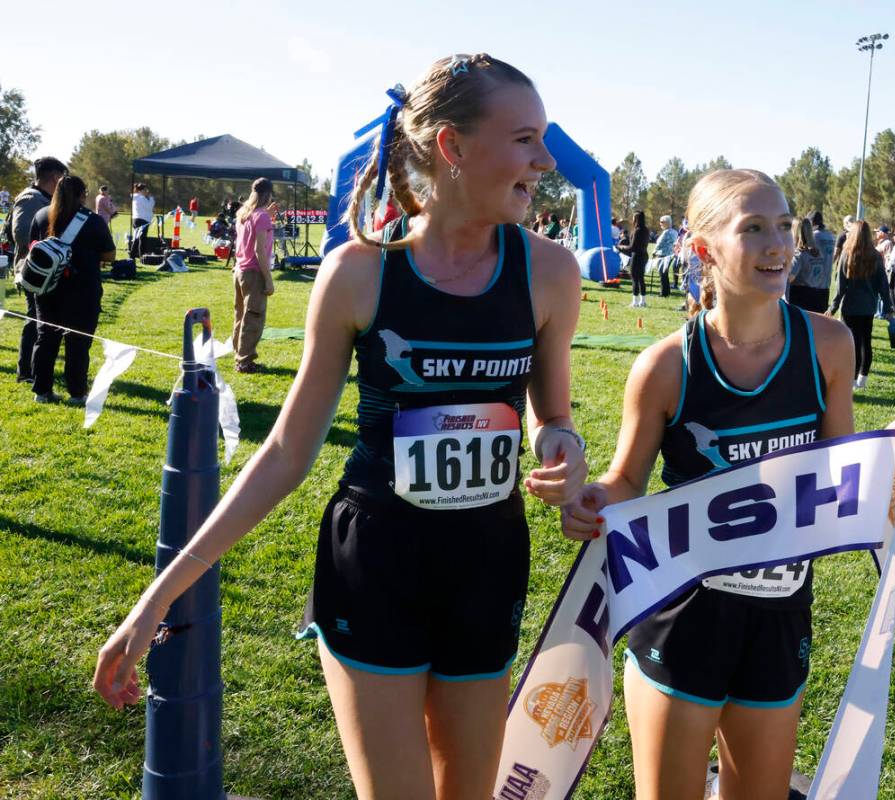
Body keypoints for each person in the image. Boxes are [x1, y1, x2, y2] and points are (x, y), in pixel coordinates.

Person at [93, 53, 587, 800]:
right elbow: (289, 450)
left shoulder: (549, 272)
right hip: (376, 562)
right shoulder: (361, 271)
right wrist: (159, 594)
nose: (546, 160)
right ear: (452, 147)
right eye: (525, 139)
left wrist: (561, 443)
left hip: (487, 561)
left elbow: (554, 412)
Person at [560, 168, 895, 800]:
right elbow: (626, 481)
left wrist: (889, 454)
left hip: (780, 613)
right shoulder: (667, 366)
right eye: (752, 228)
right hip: (681, 615)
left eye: (784, 225)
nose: (778, 244)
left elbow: (839, 471)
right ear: (704, 250)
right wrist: (594, 499)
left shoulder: (829, 345)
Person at [27, 175, 115, 404]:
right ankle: (76, 393)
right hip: (82, 289)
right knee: (78, 342)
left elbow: (31, 247)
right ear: (82, 195)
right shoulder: (93, 221)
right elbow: (109, 254)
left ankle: (41, 391)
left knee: (45, 338)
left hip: (46, 287)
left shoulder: (40, 215)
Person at [10, 156, 67, 385]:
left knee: (43, 322)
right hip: (33, 272)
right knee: (34, 320)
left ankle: (37, 367)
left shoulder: (44, 198)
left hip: (46, 271)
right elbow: (22, 234)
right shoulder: (30, 199)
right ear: (55, 177)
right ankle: (26, 370)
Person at [829, 220, 894, 390]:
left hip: (850, 307)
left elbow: (840, 286)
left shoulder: (847, 254)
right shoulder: (875, 255)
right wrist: (887, 307)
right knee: (866, 342)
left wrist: (832, 308)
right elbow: (883, 285)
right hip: (868, 307)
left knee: (852, 344)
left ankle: (851, 380)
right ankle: (862, 380)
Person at [231, 178, 276, 374]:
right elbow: (260, 251)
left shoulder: (243, 213)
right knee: (254, 318)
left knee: (240, 316)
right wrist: (268, 279)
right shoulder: (262, 217)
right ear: (269, 195)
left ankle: (239, 354)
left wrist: (267, 215)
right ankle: (245, 361)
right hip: (254, 272)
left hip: (240, 270)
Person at [787, 216, 828, 312]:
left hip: (801, 302)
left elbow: (789, 278)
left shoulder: (799, 254)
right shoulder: (818, 253)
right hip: (818, 299)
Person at [619, 210, 650, 307]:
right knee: (641, 278)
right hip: (644, 255)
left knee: (634, 279)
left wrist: (621, 248)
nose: (632, 219)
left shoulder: (637, 231)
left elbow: (632, 247)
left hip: (637, 256)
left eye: (633, 217)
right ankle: (643, 301)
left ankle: (635, 302)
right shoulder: (646, 230)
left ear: (636, 219)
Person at [652, 214, 679, 297]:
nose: (660, 224)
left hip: (663, 255)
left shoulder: (666, 232)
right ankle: (666, 292)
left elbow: (659, 244)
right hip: (670, 255)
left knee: (662, 274)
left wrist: (654, 252)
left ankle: (663, 293)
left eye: (662, 222)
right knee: (665, 274)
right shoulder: (674, 231)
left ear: (667, 223)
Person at [130, 183, 155, 258]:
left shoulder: (136, 197)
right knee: (141, 239)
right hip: (142, 220)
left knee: (138, 238)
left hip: (137, 219)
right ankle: (139, 254)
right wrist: (150, 198)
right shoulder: (141, 198)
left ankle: (135, 254)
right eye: (145, 189)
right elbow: (149, 206)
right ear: (141, 190)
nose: (146, 191)